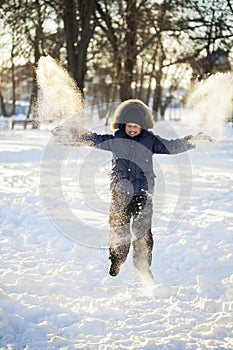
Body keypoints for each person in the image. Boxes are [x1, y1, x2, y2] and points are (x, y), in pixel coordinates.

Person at [53, 99, 211, 280]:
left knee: (143, 231)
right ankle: (116, 259)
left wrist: (193, 140)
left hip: (143, 192)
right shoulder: (115, 140)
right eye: (129, 126)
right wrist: (69, 133)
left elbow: (173, 146)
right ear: (123, 125)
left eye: (136, 126)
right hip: (120, 191)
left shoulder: (150, 141)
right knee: (118, 227)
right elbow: (92, 138)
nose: (132, 129)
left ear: (143, 126)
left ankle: (142, 265)